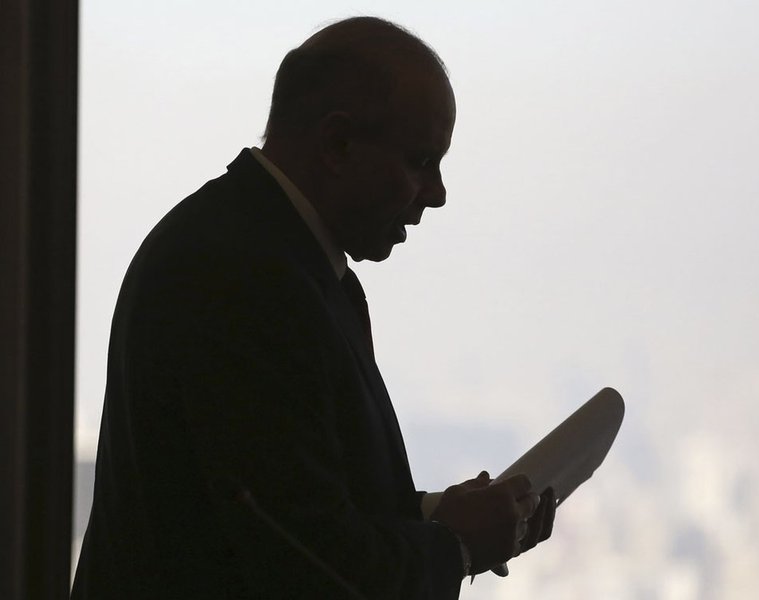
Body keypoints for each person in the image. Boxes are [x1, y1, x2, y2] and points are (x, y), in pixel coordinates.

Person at [71, 17, 555, 599]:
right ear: (337, 144)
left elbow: (294, 501)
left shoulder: (264, 253)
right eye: (421, 161)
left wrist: (438, 519)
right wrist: (455, 546)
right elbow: (301, 560)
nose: (438, 193)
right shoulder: (241, 277)